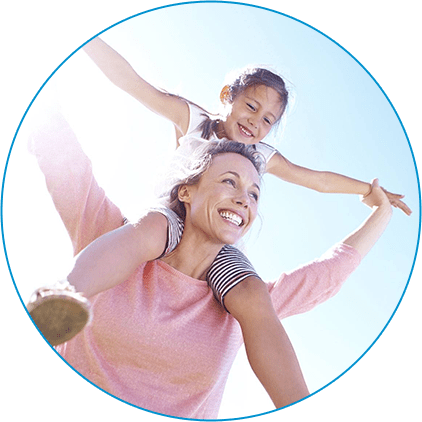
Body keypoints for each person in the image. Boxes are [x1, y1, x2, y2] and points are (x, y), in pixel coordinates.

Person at [25, 105, 392, 418]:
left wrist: (384, 211)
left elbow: (331, 270)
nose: (244, 199)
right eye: (229, 182)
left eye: (253, 193)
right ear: (187, 191)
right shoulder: (114, 238)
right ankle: (62, 295)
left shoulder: (246, 300)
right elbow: (62, 157)